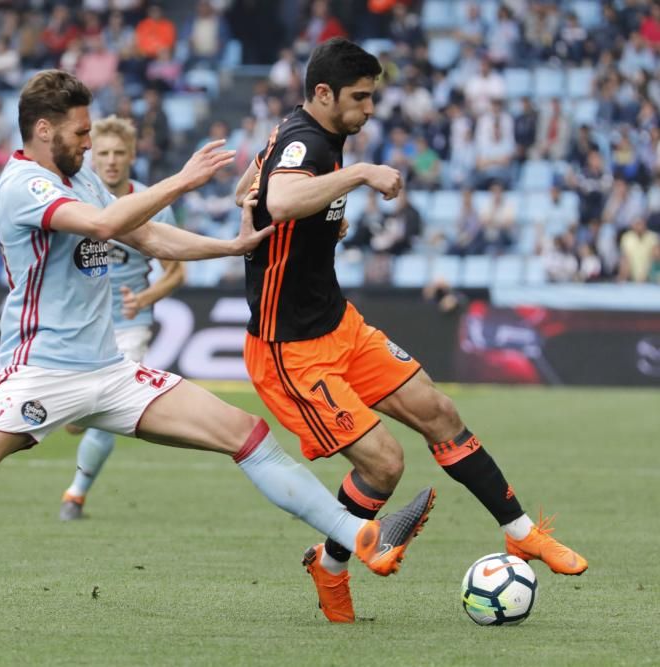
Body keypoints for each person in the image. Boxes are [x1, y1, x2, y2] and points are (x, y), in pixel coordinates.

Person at [0, 70, 435, 622]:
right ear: (44, 130)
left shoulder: (79, 175)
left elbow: (147, 237)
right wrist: (181, 181)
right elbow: (107, 218)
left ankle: (359, 536)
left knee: (245, 433)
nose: (87, 139)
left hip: (111, 368)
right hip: (39, 374)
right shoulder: (23, 184)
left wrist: (230, 244)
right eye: (78, 131)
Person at [233, 39, 586, 624]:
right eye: (360, 98)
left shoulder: (303, 135)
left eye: (372, 96)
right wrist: (361, 176)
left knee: (439, 413)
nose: (370, 108)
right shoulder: (306, 140)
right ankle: (332, 567)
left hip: (340, 326)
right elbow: (283, 195)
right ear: (323, 95)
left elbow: (253, 190)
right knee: (384, 465)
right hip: (289, 349)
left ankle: (520, 532)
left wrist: (270, 215)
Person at [59, 115, 185, 521]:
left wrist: (144, 297)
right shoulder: (76, 200)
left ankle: (74, 496)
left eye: (119, 153)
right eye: (104, 153)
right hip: (83, 323)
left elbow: (177, 271)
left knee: (107, 412)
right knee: (78, 419)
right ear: (93, 156)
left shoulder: (150, 206)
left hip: (131, 325)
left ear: (132, 156)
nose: (111, 161)